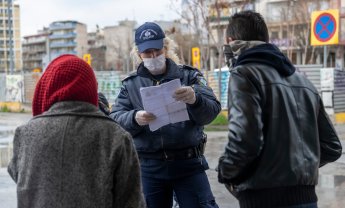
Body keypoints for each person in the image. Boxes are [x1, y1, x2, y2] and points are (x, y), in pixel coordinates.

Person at [217, 10, 343, 208]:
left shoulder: (243, 74)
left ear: (230, 41)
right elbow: (332, 147)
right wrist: (294, 167)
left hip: (263, 200)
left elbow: (245, 141)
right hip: (307, 200)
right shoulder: (304, 82)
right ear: (266, 40)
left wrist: (225, 171)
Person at [8, 54, 146, 208]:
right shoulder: (116, 137)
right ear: (91, 89)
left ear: (48, 88)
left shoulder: (26, 134)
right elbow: (131, 202)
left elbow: (18, 176)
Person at [110, 22, 221, 208]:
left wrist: (195, 99)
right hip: (149, 168)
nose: (153, 56)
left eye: (157, 50)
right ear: (139, 54)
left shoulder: (190, 77)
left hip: (188, 164)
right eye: (147, 53)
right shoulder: (130, 85)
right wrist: (134, 118)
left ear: (166, 48)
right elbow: (115, 120)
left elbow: (211, 113)